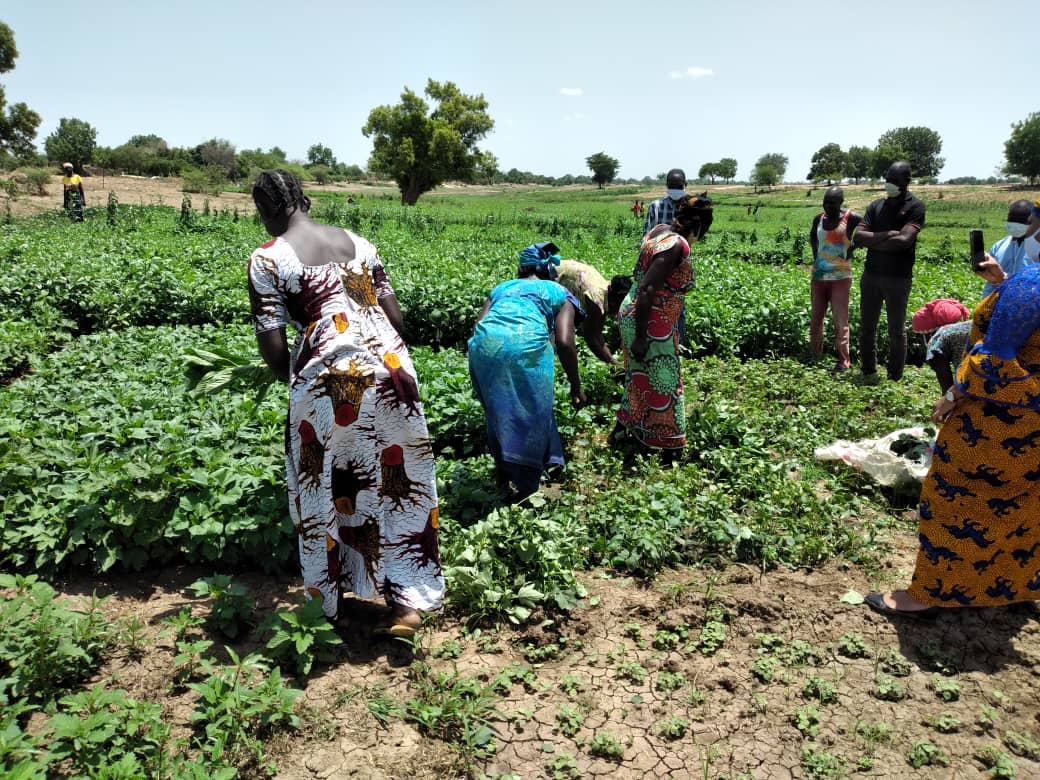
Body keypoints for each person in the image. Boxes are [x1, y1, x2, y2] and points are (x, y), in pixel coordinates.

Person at [247, 169, 442, 636]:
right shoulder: (360, 242)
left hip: (332, 376)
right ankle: (405, 603)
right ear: (303, 199)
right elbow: (393, 315)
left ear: (269, 209)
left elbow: (274, 350)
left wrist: (301, 367)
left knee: (323, 487)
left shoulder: (268, 258)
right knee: (398, 487)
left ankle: (329, 607)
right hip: (395, 371)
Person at [866, 256, 1040, 617]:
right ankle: (1012, 585)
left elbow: (995, 359)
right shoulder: (1026, 284)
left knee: (952, 500)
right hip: (1033, 425)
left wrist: (952, 395)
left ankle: (930, 593)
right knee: (1022, 506)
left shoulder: (1033, 284)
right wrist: (1002, 281)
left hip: (997, 420)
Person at [468, 242, 586, 498]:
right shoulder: (559, 292)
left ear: (521, 268)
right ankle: (528, 486)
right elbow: (565, 342)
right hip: (526, 345)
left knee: (498, 408)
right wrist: (576, 386)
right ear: (549, 270)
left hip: (483, 346)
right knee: (534, 410)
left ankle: (503, 470)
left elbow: (480, 324)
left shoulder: (502, 288)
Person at [614, 195, 713, 456]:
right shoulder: (677, 245)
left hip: (633, 311)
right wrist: (640, 336)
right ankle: (664, 444)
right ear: (700, 227)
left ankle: (627, 428)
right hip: (649, 318)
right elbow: (648, 288)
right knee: (664, 378)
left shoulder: (659, 231)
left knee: (637, 374)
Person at [852, 161, 926, 381]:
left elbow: (903, 241)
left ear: (907, 181)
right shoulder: (876, 206)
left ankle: (895, 376)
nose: (890, 184)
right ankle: (868, 370)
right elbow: (858, 236)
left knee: (896, 330)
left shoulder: (915, 207)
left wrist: (873, 240)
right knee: (867, 327)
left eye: (895, 180)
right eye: (888, 179)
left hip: (898, 278)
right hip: (871, 275)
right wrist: (887, 235)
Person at [808, 187, 862, 371]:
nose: (827, 205)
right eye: (825, 201)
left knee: (840, 320)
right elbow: (812, 238)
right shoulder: (819, 219)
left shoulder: (851, 218)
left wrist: (853, 248)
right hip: (819, 276)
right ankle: (815, 355)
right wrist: (816, 256)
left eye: (831, 202)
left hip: (840, 277)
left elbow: (867, 229)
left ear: (840, 202)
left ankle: (843, 362)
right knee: (816, 318)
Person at [556, 259, 632, 365]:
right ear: (615, 301)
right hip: (546, 277)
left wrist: (612, 360)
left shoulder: (606, 291)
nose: (617, 313)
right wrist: (612, 362)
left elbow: (598, 332)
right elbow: (590, 336)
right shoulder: (597, 299)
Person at [911, 299, 971, 393]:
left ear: (927, 334)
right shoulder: (971, 326)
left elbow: (947, 388)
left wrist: (947, 400)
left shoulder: (937, 341)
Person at [644, 169, 686, 235]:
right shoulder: (655, 206)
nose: (675, 189)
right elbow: (647, 234)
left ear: (685, 185)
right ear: (667, 186)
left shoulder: (691, 207)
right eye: (672, 186)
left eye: (679, 186)